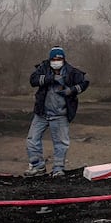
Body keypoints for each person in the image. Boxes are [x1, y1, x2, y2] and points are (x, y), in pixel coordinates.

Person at [25, 46, 89, 177]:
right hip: (42, 113)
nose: (56, 61)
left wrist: (71, 90)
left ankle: (58, 169)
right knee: (32, 140)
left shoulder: (71, 72)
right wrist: (50, 79)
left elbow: (84, 83)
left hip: (60, 114)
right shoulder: (43, 68)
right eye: (54, 59)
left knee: (61, 143)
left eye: (59, 59)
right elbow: (33, 80)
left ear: (63, 59)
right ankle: (38, 167)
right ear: (50, 59)